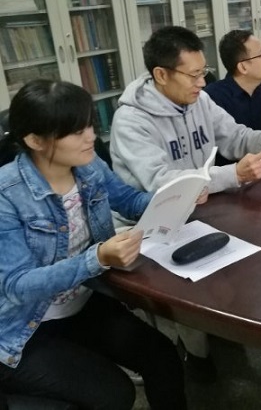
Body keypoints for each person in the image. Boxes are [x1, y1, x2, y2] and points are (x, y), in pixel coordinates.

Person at [0, 79, 187, 410]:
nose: (91, 137)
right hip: (24, 328)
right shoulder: (7, 194)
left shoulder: (87, 166)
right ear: (35, 140)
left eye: (89, 125)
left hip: (81, 303)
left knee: (162, 357)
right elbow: (17, 285)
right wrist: (96, 258)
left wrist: (177, 196)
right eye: (76, 131)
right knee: (114, 395)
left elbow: (127, 200)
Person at [110, 25, 261, 378]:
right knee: (193, 283)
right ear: (161, 74)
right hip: (151, 223)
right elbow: (161, 183)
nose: (203, 83)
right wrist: (233, 175)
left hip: (201, 207)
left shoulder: (198, 99)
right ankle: (192, 354)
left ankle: (222, 328)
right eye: (194, 75)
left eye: (204, 72)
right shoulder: (131, 121)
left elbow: (236, 137)